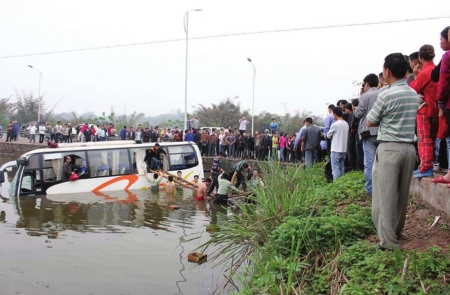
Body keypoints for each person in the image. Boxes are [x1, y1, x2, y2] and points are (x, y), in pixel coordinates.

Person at [367, 53, 418, 251]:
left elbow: (371, 120)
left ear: (387, 71)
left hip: (389, 148)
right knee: (401, 194)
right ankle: (396, 231)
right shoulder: (412, 93)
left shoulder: (386, 94)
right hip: (409, 149)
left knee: (385, 196)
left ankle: (388, 242)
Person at [410, 45, 438, 178]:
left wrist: (415, 76)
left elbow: (413, 89)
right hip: (436, 109)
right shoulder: (436, 69)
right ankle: (427, 165)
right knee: (431, 140)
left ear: (420, 58)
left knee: (424, 139)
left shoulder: (425, 73)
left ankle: (426, 166)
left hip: (424, 110)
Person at [354, 73, 380, 196]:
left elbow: (358, 114)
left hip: (367, 132)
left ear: (367, 84)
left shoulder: (365, 96)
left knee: (369, 163)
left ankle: (370, 189)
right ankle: (380, 187)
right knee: (381, 162)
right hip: (381, 132)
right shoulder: (382, 93)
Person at [432, 26, 450, 187]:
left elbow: (443, 82)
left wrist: (440, 102)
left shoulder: (448, 56)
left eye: (442, 39)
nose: (440, 42)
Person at [327, 107, 349, 181]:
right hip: (344, 149)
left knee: (335, 169)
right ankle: (342, 183)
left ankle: (336, 184)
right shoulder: (346, 124)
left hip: (335, 149)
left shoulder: (335, 124)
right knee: (342, 167)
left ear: (335, 114)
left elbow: (328, 135)